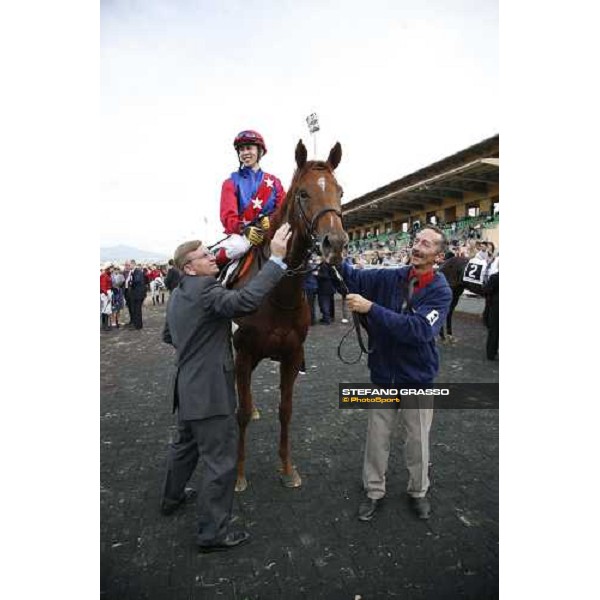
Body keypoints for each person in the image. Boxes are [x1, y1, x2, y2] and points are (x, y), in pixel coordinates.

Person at [160, 223, 292, 553]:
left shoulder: (178, 293)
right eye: (205, 255)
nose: (212, 256)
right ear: (189, 267)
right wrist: (275, 260)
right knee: (220, 461)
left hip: (187, 388)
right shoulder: (206, 289)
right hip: (210, 393)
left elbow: (167, 336)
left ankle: (171, 499)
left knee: (184, 447)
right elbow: (246, 300)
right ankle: (212, 533)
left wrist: (197, 343)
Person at [341, 225, 452, 521]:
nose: (417, 246)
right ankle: (374, 491)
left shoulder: (440, 290)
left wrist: (370, 308)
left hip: (417, 378)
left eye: (426, 244)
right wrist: (334, 251)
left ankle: (418, 491)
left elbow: (418, 330)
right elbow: (351, 276)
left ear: (438, 255)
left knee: (417, 441)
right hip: (383, 374)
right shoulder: (392, 276)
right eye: (416, 240)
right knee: (376, 438)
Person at [212, 130, 286, 268]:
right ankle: (212, 269)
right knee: (238, 247)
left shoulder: (274, 182)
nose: (245, 152)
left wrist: (271, 220)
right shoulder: (230, 182)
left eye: (249, 148)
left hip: (271, 232)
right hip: (242, 236)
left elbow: (283, 209)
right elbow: (227, 216)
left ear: (260, 152)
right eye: (241, 149)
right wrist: (244, 229)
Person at [483, 265, 499, 360]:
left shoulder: (494, 277)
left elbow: (486, 290)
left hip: (496, 307)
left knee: (494, 331)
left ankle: (491, 353)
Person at [126, 260, 147, 330]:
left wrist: (130, 282)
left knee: (137, 310)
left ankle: (138, 326)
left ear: (133, 264)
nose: (129, 266)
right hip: (135, 294)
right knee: (135, 310)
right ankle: (136, 324)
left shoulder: (137, 271)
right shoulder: (133, 272)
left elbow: (137, 281)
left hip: (138, 294)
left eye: (130, 265)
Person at [316, 258, 336, 324]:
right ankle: (328, 317)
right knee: (328, 304)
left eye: (318, 259)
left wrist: (317, 274)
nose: (316, 260)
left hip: (324, 289)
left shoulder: (324, 266)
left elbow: (325, 276)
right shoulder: (330, 265)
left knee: (324, 304)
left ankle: (327, 319)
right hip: (329, 288)